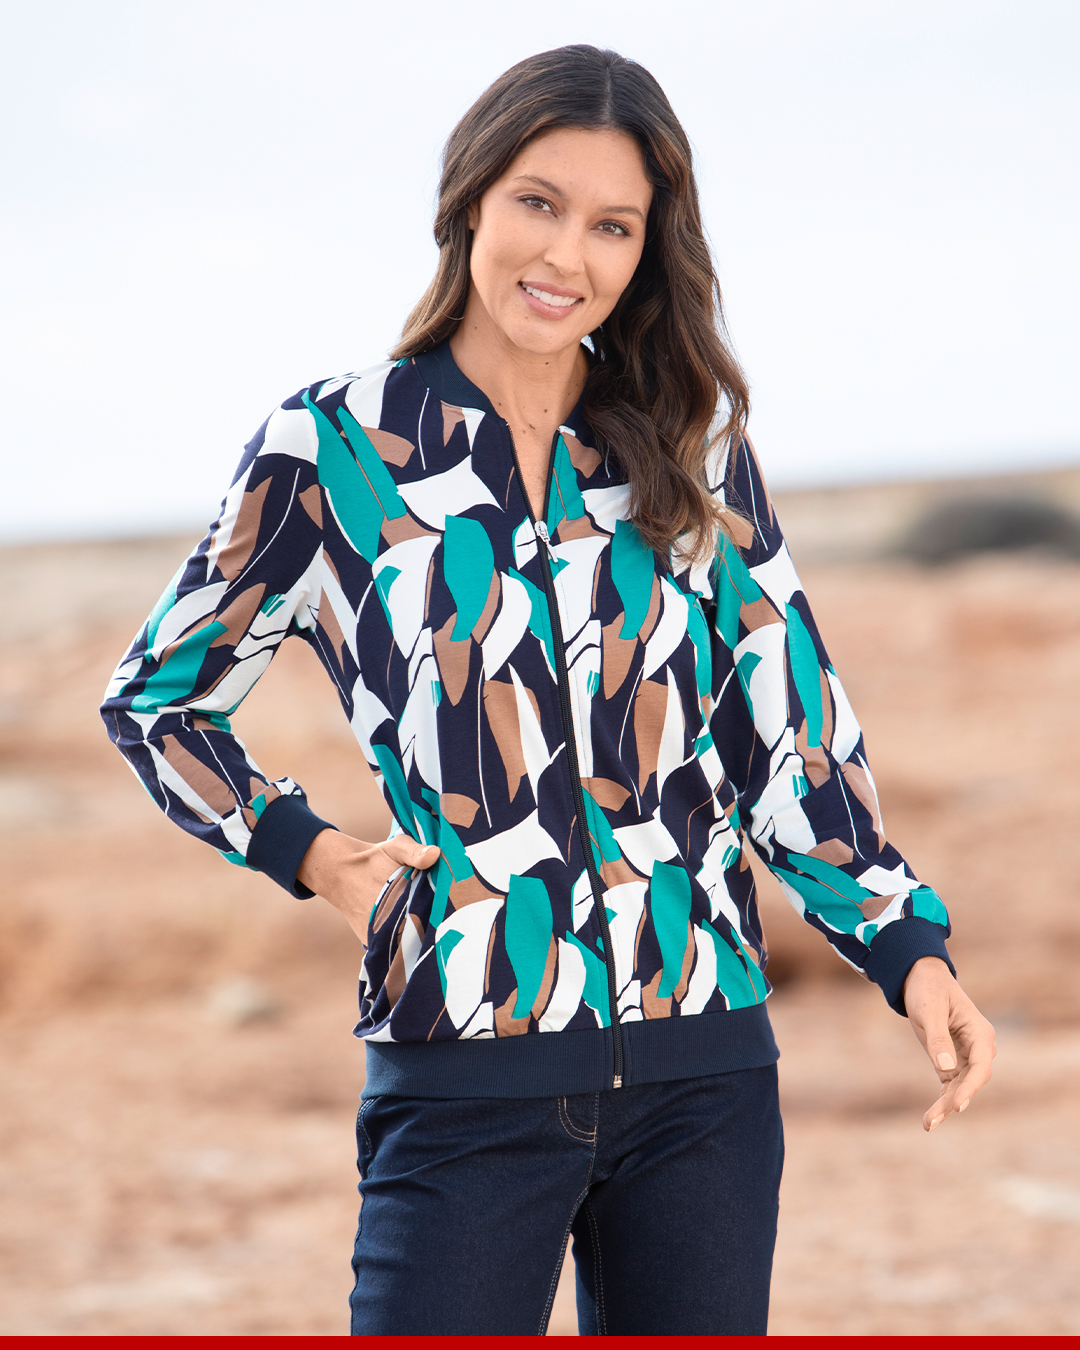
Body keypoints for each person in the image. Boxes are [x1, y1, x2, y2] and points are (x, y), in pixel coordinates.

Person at [101, 44, 995, 1336]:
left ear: (646, 250)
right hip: (463, 1075)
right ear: (471, 196)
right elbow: (157, 700)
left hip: (704, 1077)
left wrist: (907, 947)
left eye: (612, 225)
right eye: (539, 201)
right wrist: (317, 856)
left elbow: (789, 724)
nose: (567, 254)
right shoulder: (332, 447)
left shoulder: (687, 441)